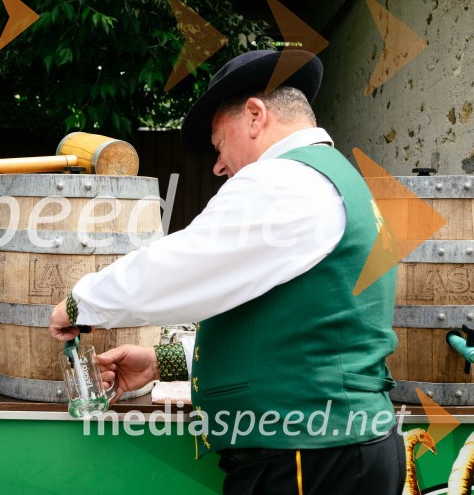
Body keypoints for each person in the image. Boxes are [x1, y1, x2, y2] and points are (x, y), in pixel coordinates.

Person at [50, 49, 405, 495]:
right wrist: (165, 361)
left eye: (220, 145)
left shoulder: (283, 183)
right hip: (336, 451)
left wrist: (81, 303)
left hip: (305, 460)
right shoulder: (333, 180)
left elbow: (183, 267)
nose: (218, 166)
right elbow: (289, 323)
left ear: (255, 115)